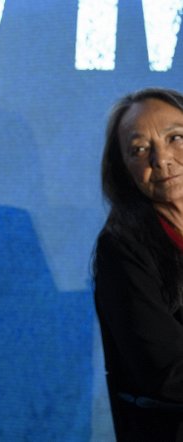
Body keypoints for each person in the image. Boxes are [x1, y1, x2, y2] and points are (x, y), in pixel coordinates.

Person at [94, 87, 183, 441]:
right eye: (139, 149)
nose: (161, 159)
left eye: (176, 137)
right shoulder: (120, 249)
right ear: (124, 169)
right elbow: (167, 373)